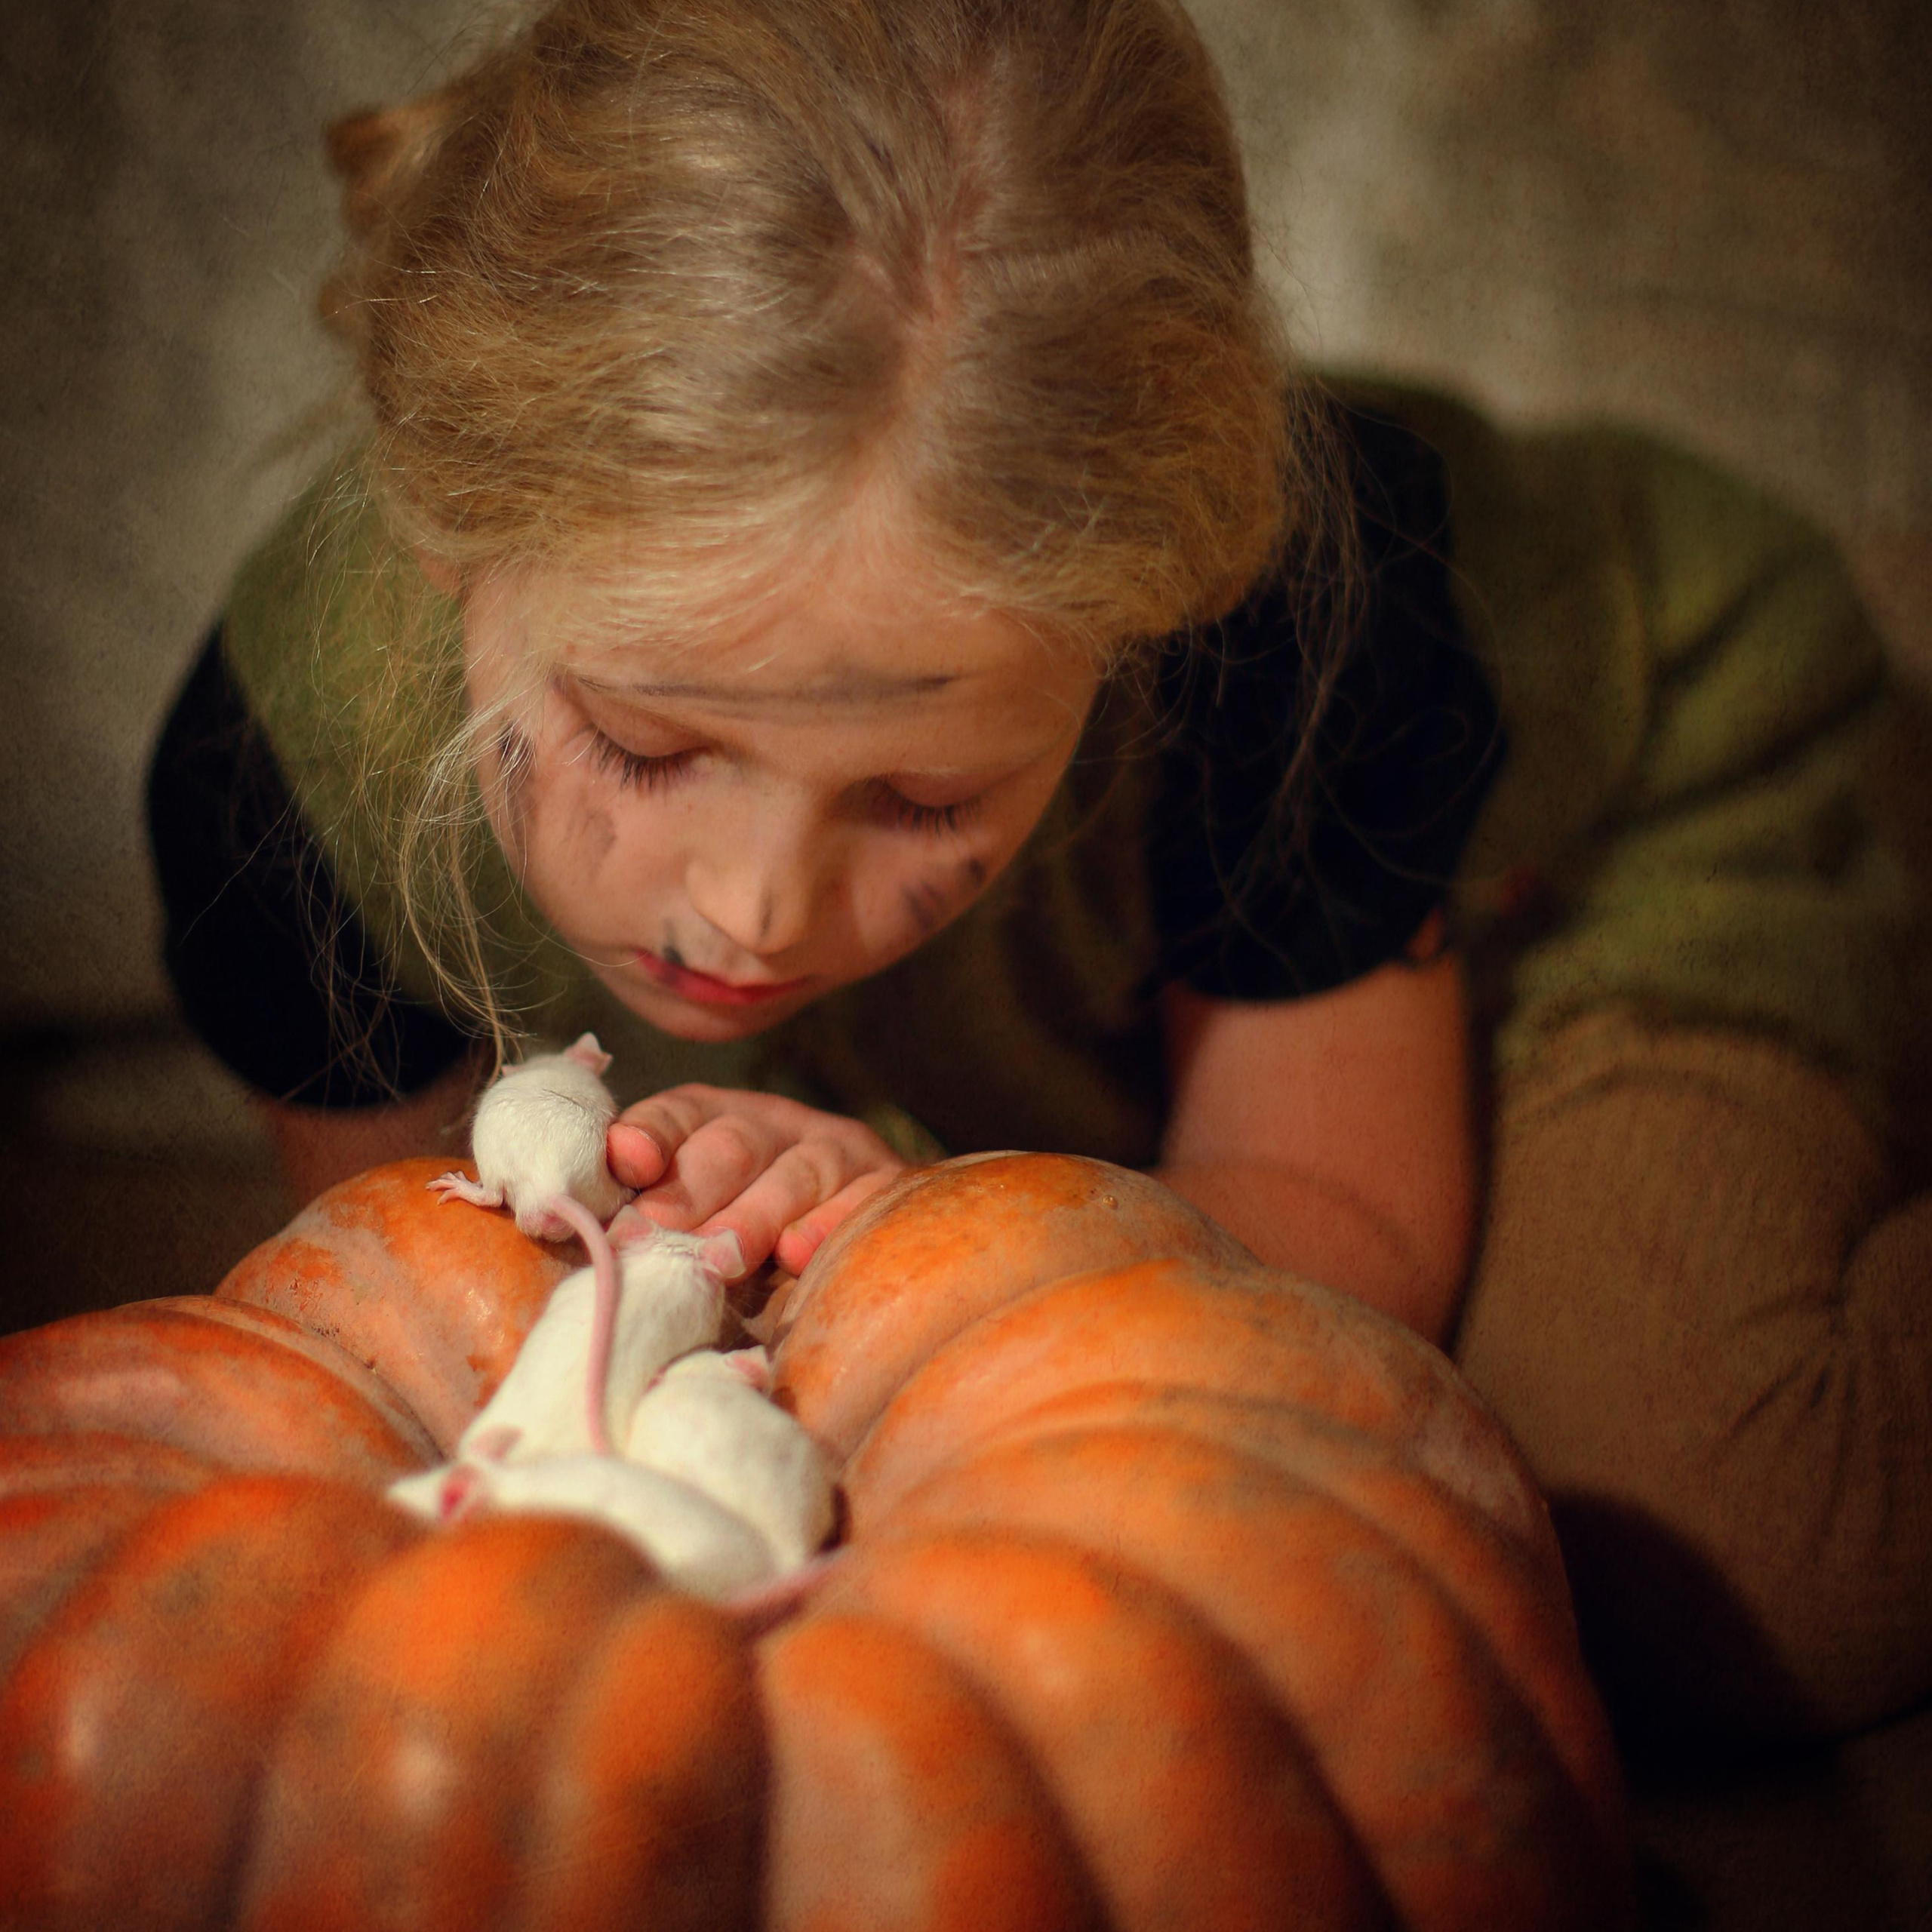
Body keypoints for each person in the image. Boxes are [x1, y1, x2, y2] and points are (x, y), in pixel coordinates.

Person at [149, 0, 1931, 1741]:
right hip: (1124, 1046)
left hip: (1624, 828)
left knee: (1723, 1557)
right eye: (647, 743)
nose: (757, 907)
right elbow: (419, 1326)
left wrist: (911, 1227)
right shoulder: (276, 781)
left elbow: (1349, 1236)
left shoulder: (1297, 633)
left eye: (924, 795)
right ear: (459, 527)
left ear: (1135, 620)